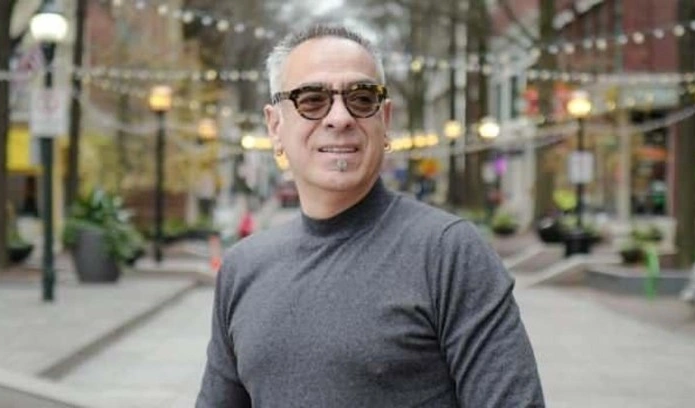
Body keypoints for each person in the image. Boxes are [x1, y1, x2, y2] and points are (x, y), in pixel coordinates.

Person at [196, 22, 544, 407]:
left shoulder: (449, 254)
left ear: (385, 120)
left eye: (362, 98)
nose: (340, 117)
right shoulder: (243, 268)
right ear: (275, 126)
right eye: (312, 99)